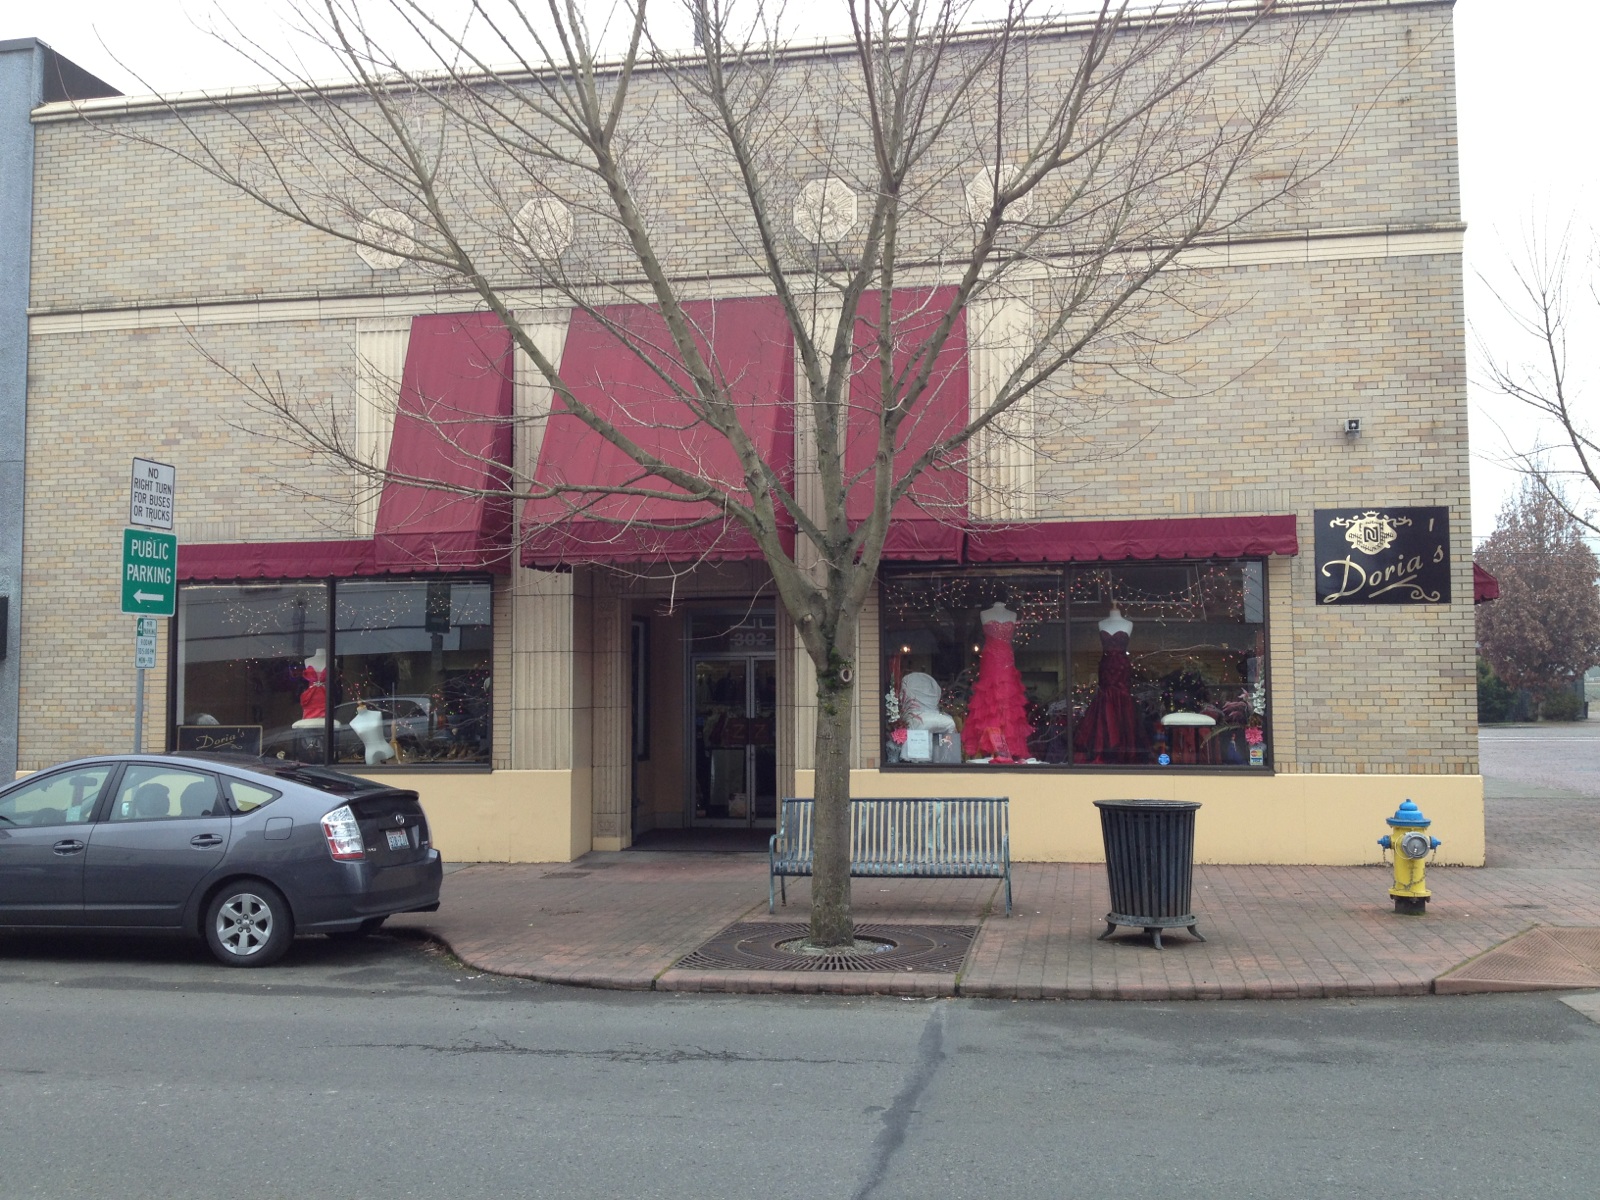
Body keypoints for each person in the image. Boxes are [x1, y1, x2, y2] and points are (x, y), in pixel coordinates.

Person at [961, 602, 1034, 761]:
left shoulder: (1012, 614)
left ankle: (1006, 748)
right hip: (990, 659)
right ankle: (991, 745)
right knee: (990, 696)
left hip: (1007, 659)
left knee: (1007, 698)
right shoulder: (984, 613)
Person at [1075, 604, 1137, 763]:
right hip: (1105, 665)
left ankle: (1121, 747)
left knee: (1122, 703)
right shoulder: (1101, 623)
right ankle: (1105, 746)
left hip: (1122, 667)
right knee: (1105, 701)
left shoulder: (1128, 624)